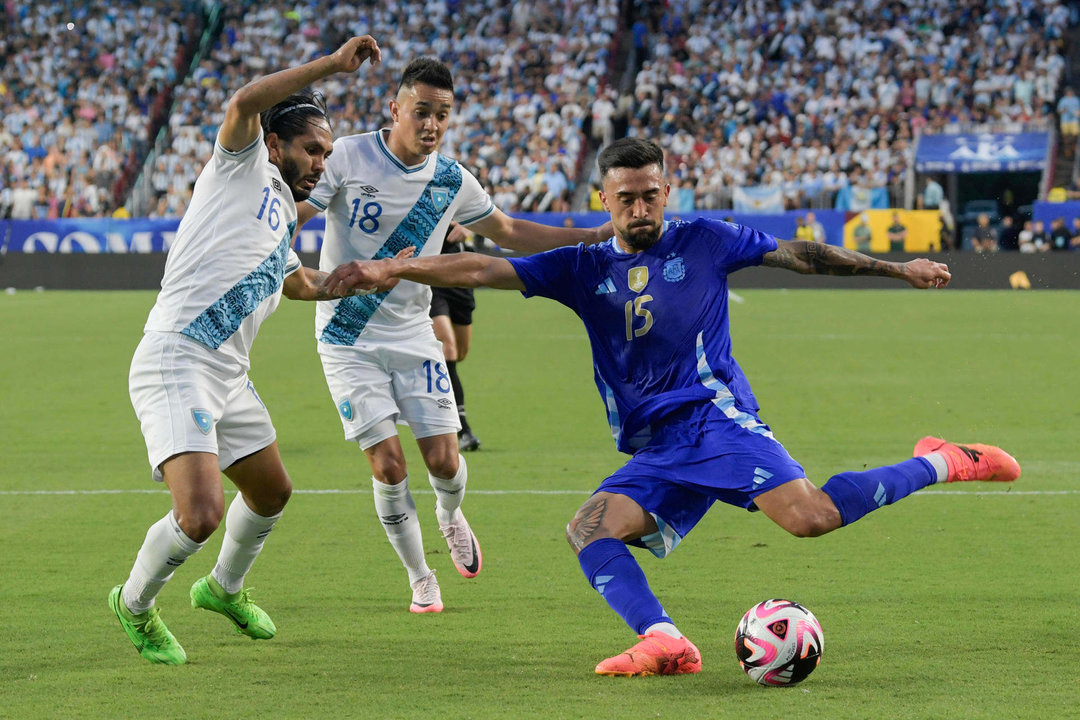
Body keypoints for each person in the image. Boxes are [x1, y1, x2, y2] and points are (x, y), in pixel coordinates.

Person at [322, 137, 1022, 677]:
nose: (640, 208)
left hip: (715, 421)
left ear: (667, 190)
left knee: (811, 519)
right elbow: (482, 268)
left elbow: (801, 254)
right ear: (604, 197)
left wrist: (895, 268)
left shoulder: (705, 240)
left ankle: (940, 461)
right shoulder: (581, 266)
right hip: (657, 444)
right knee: (589, 529)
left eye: (650, 195)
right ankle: (664, 640)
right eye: (626, 198)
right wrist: (394, 267)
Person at [296, 58, 610, 614]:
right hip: (346, 335)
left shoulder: (452, 180)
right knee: (388, 466)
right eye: (422, 112)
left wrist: (591, 236)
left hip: (414, 332)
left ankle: (448, 512)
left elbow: (509, 230)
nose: (432, 125)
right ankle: (420, 577)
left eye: (443, 114)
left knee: (443, 461)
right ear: (395, 109)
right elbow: (301, 209)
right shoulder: (346, 155)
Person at [109, 36, 384, 666]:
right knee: (201, 514)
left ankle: (222, 589)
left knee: (271, 493)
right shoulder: (238, 166)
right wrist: (332, 67)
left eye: (327, 153)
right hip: (179, 357)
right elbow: (244, 100)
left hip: (228, 373)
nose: (321, 162)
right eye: (312, 149)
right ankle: (134, 602)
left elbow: (300, 284)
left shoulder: (283, 212)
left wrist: (362, 274)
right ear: (274, 143)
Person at [430, 221, 481, 451]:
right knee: (447, 347)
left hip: (461, 276)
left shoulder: (463, 187)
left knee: (459, 353)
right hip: (430, 276)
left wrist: (470, 226)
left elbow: (486, 215)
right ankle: (462, 429)